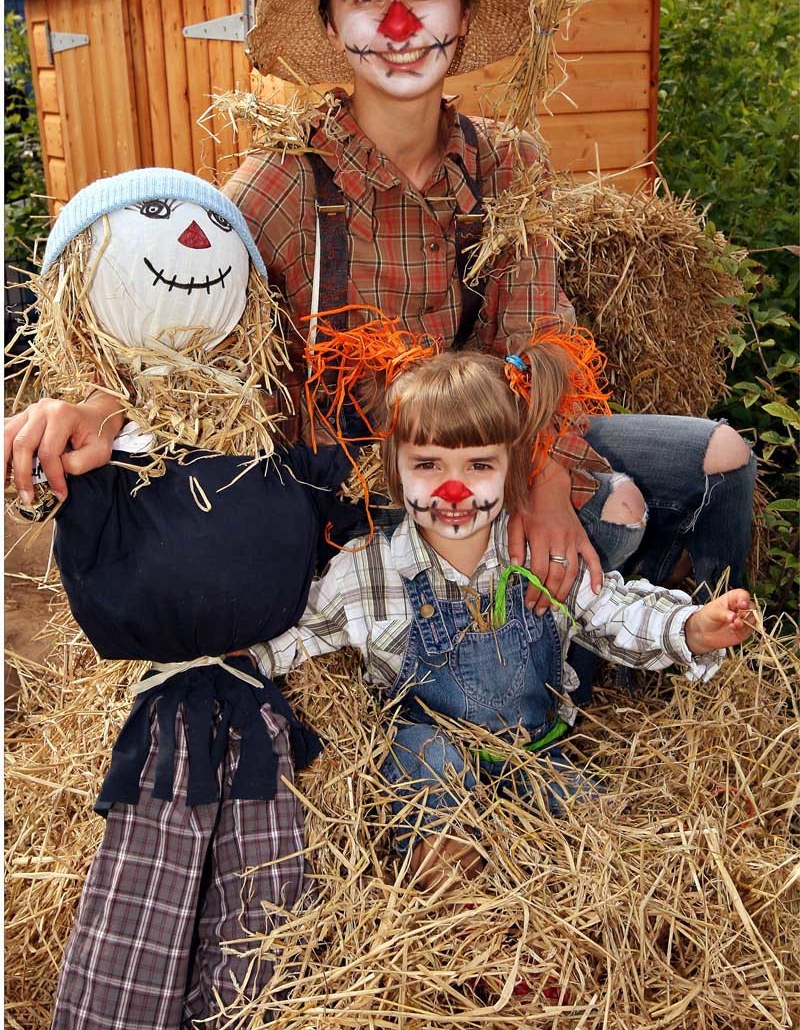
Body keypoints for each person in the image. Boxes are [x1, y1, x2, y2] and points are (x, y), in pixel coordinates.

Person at [4, 0, 755, 652]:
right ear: (334, 30)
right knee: (614, 509)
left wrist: (543, 474)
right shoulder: (285, 183)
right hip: (364, 491)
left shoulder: (507, 164)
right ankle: (508, 675)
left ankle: (684, 670)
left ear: (459, 16)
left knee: (721, 456)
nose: (398, 27)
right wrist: (91, 405)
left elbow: (544, 333)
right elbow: (187, 332)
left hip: (494, 448)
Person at [21, 170, 349, 1029]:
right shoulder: (105, 449)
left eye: (210, 221)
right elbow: (38, 480)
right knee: (146, 891)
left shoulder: (264, 440)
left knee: (267, 893)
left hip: (261, 704)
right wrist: (60, 430)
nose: (196, 238)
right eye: (160, 218)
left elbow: (345, 494)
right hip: (169, 715)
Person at [251, 341, 755, 888]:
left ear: (513, 469)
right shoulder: (367, 572)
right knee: (424, 753)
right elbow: (299, 633)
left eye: (479, 465)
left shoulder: (535, 559)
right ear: (395, 472)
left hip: (532, 753)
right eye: (427, 465)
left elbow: (611, 611)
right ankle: (449, 870)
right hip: (432, 755)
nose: (453, 490)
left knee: (610, 843)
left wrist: (688, 628)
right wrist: (235, 658)